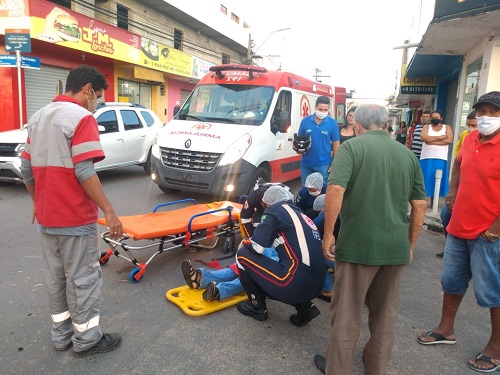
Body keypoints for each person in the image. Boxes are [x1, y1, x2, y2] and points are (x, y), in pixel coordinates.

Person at [313, 104, 427, 374]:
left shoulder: (351, 148)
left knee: (346, 316)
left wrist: (328, 235)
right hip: (394, 249)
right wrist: (410, 245)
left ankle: (337, 369)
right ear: (386, 124)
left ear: (357, 125)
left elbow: (336, 188)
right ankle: (375, 368)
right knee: (385, 317)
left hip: (357, 248)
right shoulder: (407, 154)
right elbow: (420, 205)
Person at [20, 65, 122, 358]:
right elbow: (84, 169)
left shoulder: (38, 117)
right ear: (88, 89)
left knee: (56, 278)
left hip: (48, 218)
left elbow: (27, 169)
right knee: (83, 279)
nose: (97, 102)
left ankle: (61, 336)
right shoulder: (81, 118)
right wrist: (110, 211)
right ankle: (87, 339)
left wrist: (38, 203)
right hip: (75, 218)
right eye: (99, 96)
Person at [416, 91, 500, 373]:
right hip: (459, 226)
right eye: (483, 110)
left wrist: (495, 229)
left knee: (493, 293)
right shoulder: (473, 138)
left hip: (489, 233)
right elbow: (459, 163)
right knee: (451, 282)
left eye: (494, 111)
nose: (486, 116)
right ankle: (445, 330)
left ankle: (497, 347)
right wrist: (452, 189)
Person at [180, 182, 289, 302]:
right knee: (237, 268)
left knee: (251, 275)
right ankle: (200, 278)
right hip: (267, 248)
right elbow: (248, 220)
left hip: (279, 253)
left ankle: (219, 291)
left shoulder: (287, 214)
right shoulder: (265, 206)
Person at [236, 185, 326, 327]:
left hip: (293, 284)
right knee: (291, 265)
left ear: (267, 203)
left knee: (242, 254)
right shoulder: (299, 212)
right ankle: (304, 307)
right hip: (317, 284)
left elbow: (257, 247)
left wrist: (245, 242)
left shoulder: (274, 211)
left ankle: (257, 306)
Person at [296, 95, 340, 185]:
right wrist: (297, 147)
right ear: (315, 107)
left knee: (322, 192)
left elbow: (336, 143)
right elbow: (299, 139)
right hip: (306, 164)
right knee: (306, 191)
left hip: (324, 164)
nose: (322, 112)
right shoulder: (305, 121)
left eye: (325, 110)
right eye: (320, 109)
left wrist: (334, 163)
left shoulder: (332, 123)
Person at [419, 111, 453, 205]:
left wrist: (430, 141)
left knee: (437, 180)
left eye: (437, 117)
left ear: (441, 118)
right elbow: (423, 138)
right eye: (433, 117)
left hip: (440, 157)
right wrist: (440, 137)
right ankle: (422, 202)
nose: (435, 119)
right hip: (426, 157)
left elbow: (449, 140)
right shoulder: (426, 127)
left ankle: (434, 203)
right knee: (425, 179)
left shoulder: (447, 127)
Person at [312, 194, 337, 303]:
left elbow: (311, 240)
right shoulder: (343, 212)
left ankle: (328, 290)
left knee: (317, 254)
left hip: (341, 258)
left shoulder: (319, 220)